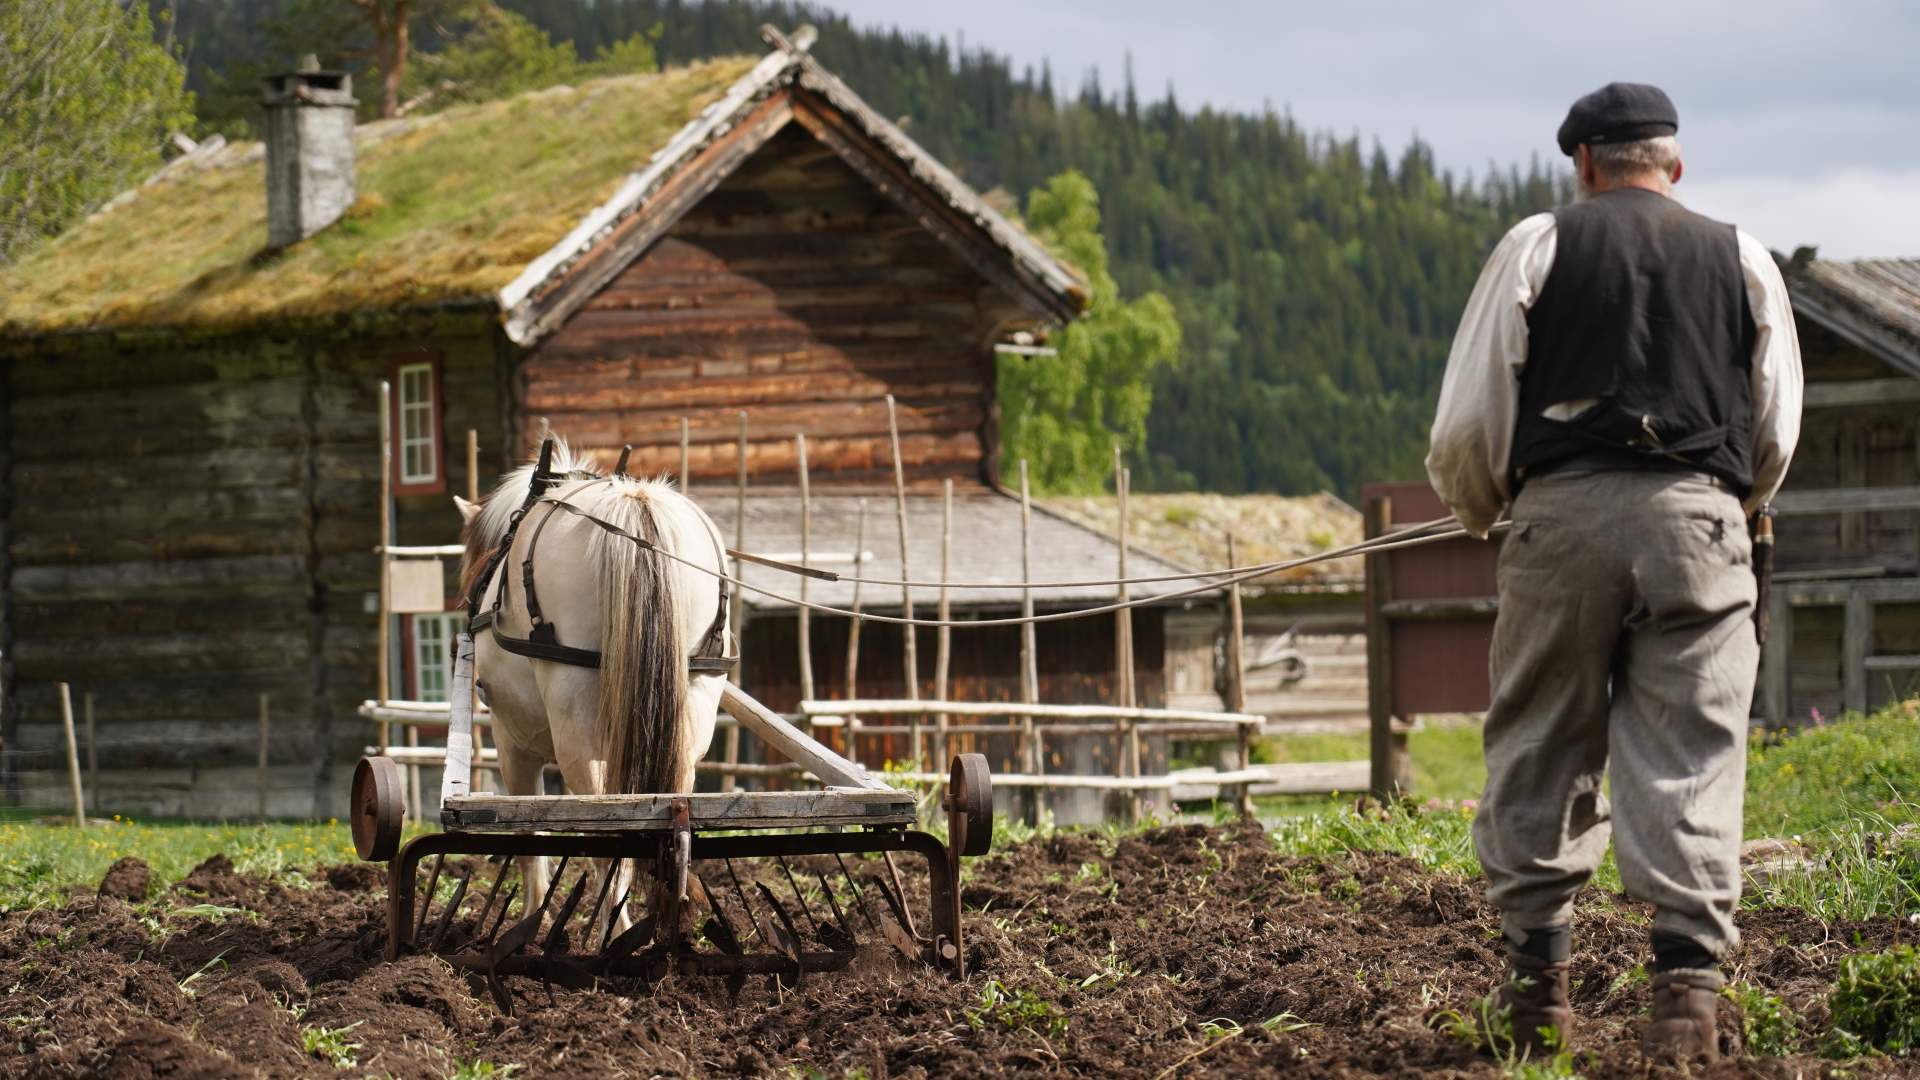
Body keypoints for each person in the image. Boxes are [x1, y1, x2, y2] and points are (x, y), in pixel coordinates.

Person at [1426, 82, 1804, 1062]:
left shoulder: (1537, 245)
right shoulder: (1744, 258)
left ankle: (1535, 995)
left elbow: (1471, 421)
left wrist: (1493, 512)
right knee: (1690, 751)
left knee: (1542, 739)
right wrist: (1729, 506)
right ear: (1675, 166)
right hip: (1701, 522)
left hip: (1561, 517)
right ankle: (1683, 1007)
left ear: (1584, 166)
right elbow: (1774, 427)